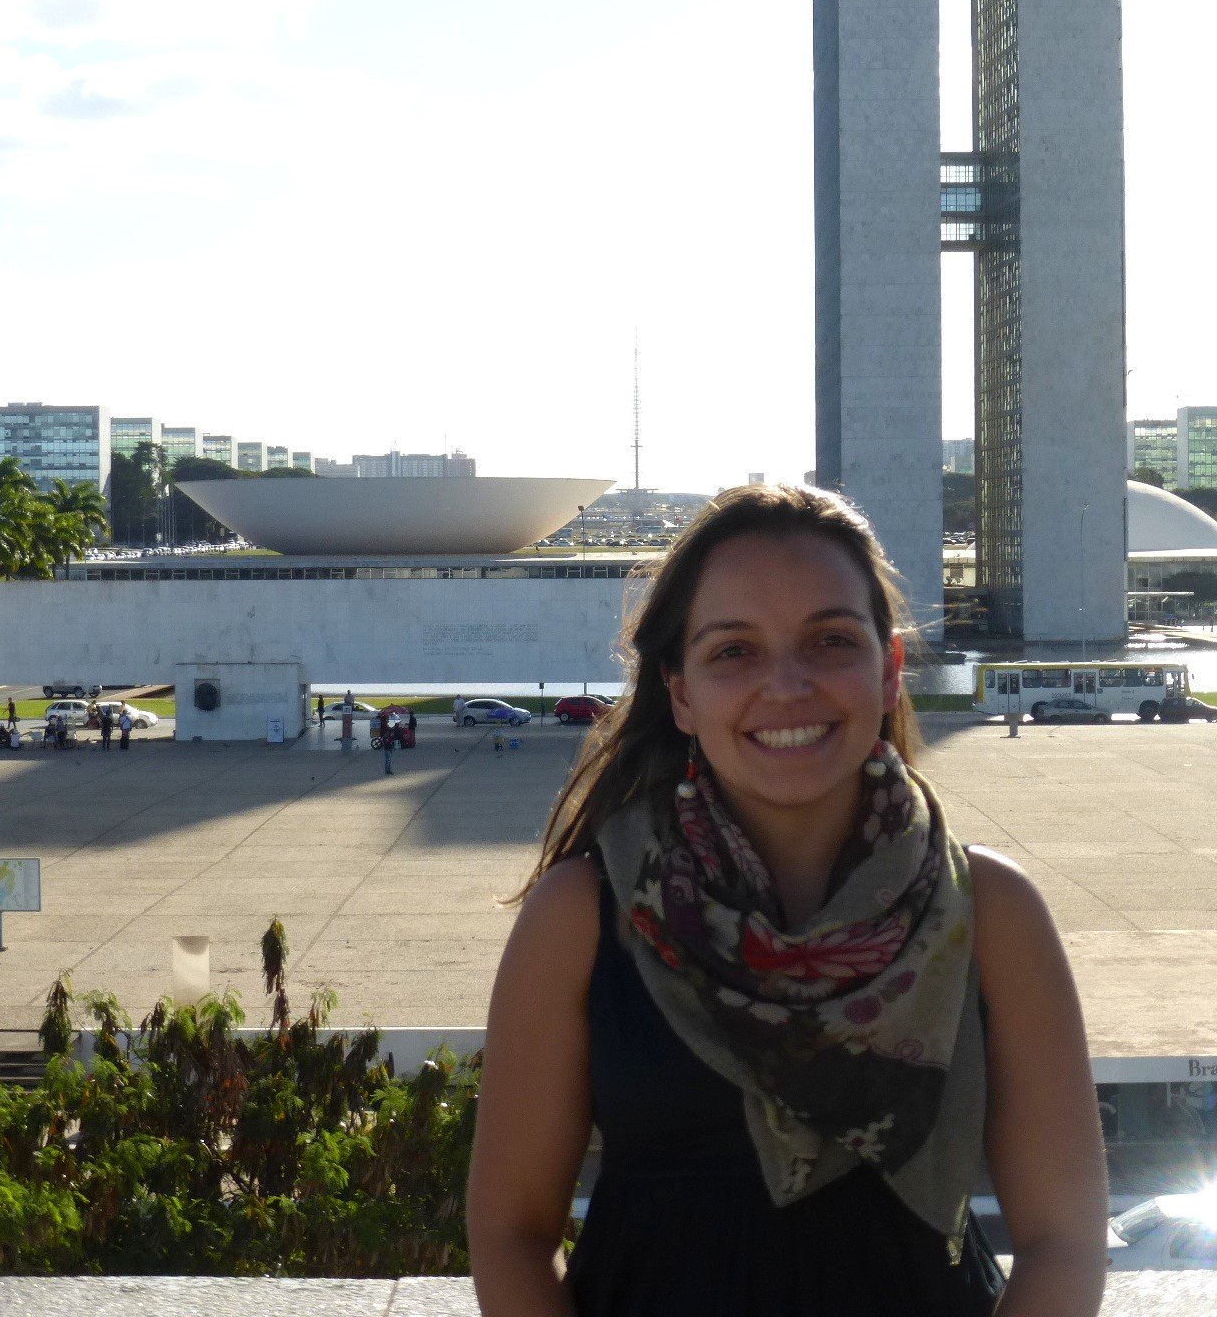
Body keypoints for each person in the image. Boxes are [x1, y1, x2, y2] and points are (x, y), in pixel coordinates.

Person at [467, 483, 1108, 1317]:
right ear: (682, 693)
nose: (788, 684)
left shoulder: (991, 911)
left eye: (831, 641)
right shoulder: (585, 913)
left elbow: (1064, 1240)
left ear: (888, 671)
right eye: (734, 651)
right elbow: (510, 1231)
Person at [382, 710, 396, 775]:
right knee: (388, 759)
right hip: (388, 746)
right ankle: (387, 770)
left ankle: (388, 770)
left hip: (389, 746)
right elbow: (388, 738)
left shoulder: (387, 728)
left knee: (388, 759)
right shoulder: (386, 732)